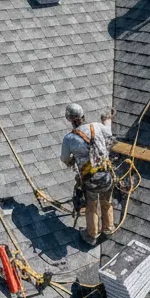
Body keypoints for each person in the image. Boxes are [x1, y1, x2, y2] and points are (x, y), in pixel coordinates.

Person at [60, 103, 115, 246]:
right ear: (83, 115)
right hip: (106, 176)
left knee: (91, 206)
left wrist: (74, 159)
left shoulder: (69, 138)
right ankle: (108, 228)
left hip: (91, 180)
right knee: (106, 202)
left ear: (70, 120)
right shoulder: (96, 126)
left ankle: (92, 234)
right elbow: (110, 137)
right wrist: (107, 120)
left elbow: (65, 159)